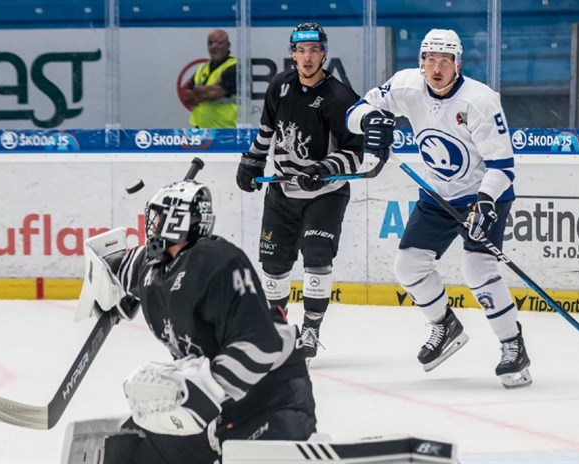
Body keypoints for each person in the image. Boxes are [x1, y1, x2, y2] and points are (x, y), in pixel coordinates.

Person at [73, 170, 316, 463]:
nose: (153, 226)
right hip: (215, 406)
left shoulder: (217, 262)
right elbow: (115, 263)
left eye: (158, 218)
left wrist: (205, 388)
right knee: (131, 449)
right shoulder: (152, 268)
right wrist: (108, 287)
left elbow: (261, 344)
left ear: (177, 220)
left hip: (272, 401)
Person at [346, 29, 532, 389]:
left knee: (477, 267)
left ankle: (513, 345)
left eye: (445, 60)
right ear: (421, 62)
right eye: (430, 59)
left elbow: (503, 166)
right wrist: (369, 120)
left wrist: (486, 202)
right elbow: (356, 109)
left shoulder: (480, 101)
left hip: (484, 193)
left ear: (458, 64)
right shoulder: (406, 86)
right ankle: (444, 325)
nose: (437, 68)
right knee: (408, 265)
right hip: (437, 195)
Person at [235, 22, 364, 360]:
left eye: (314, 50)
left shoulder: (340, 97)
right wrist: (252, 161)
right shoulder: (279, 86)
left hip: (325, 194)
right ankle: (277, 329)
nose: (307, 57)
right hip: (282, 193)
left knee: (317, 258)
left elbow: (354, 152)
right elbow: (267, 130)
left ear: (324, 53)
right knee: (274, 265)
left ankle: (310, 330)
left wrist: (322, 169)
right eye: (301, 50)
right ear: (292, 54)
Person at [182, 28, 237, 128]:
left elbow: (213, 94)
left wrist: (198, 90)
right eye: (210, 43)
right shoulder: (203, 67)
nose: (213, 47)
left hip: (225, 130)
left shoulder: (235, 67)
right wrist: (206, 90)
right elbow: (187, 96)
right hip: (200, 129)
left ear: (228, 45)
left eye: (219, 43)